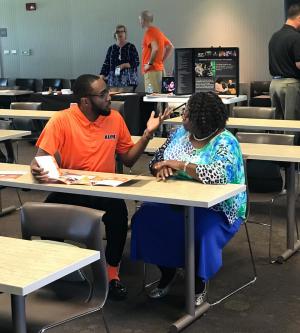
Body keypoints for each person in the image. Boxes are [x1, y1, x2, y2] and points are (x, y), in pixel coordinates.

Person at [30, 74, 170, 300]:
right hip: (72, 189)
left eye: (108, 92)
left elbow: (128, 159)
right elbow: (39, 158)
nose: (109, 98)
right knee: (47, 219)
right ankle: (60, 269)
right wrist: (37, 167)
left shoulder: (114, 118)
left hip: (104, 189)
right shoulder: (61, 120)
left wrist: (146, 135)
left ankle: (111, 273)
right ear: (85, 101)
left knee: (118, 218)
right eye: (103, 94)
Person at [131, 92, 246, 306]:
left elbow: (218, 175)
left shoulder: (225, 141)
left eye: (188, 112)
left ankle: (198, 281)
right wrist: (160, 168)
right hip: (177, 201)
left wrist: (178, 165)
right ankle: (167, 271)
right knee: (144, 219)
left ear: (202, 118)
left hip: (218, 208)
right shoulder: (177, 135)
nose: (183, 115)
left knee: (199, 231)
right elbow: (154, 161)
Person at [269, 3, 300, 120]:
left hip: (274, 85)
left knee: (278, 124)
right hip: (290, 85)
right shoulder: (296, 37)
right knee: (292, 124)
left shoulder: (274, 37)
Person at [139, 10, 174, 92]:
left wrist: (149, 64)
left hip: (151, 71)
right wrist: (161, 61)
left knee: (152, 98)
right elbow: (170, 47)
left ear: (144, 20)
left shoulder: (149, 32)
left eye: (140, 20)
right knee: (161, 96)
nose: (140, 22)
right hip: (160, 69)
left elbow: (155, 48)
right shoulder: (158, 32)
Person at [100, 25, 140, 89]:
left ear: (125, 33)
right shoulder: (111, 48)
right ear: (115, 34)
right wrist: (102, 75)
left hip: (129, 80)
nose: (120, 33)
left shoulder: (131, 47)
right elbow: (106, 63)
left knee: (128, 98)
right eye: (117, 32)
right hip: (113, 81)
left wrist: (123, 65)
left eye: (122, 31)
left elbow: (136, 62)